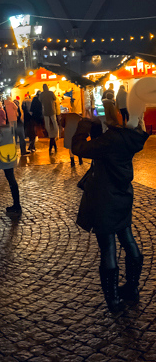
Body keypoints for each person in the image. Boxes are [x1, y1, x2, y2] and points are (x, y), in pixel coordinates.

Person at [72, 99, 148, 314]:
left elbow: (78, 147)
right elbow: (100, 143)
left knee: (108, 249)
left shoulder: (108, 142)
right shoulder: (126, 137)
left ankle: (113, 299)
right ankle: (131, 288)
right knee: (128, 239)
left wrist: (85, 123)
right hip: (122, 196)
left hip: (104, 199)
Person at [39, 83, 59, 154]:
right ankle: (56, 133)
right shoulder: (51, 93)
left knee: (47, 124)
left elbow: (40, 100)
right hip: (52, 110)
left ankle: (49, 133)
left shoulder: (41, 94)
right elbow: (55, 99)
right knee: (54, 121)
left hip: (45, 111)